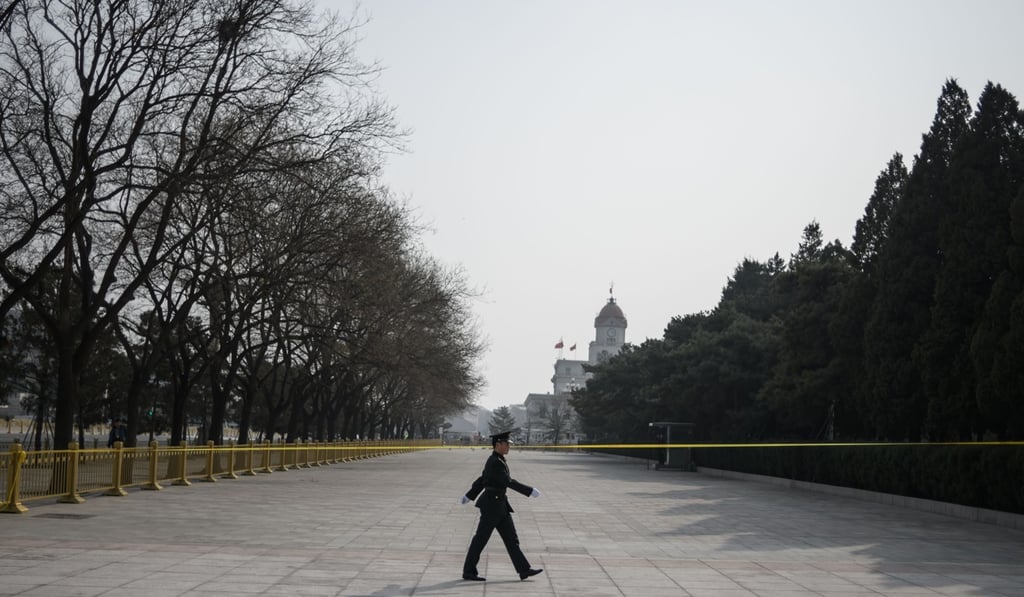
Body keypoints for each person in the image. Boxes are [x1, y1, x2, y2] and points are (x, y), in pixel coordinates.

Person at [459, 429, 543, 582]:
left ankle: (523, 569)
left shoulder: (498, 460)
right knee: (481, 539)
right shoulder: (495, 462)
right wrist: (529, 491)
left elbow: (482, 479)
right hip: (492, 506)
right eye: (506, 444)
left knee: (512, 539)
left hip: (500, 506)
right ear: (498, 444)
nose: (509, 447)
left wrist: (469, 495)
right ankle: (468, 571)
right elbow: (507, 482)